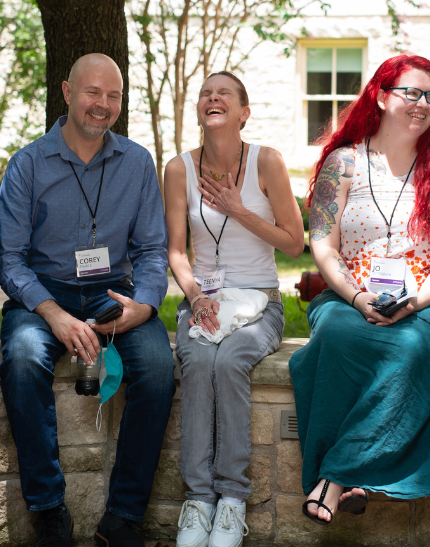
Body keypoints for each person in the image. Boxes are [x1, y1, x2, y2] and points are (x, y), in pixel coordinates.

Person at [290, 54, 430, 525]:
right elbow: (323, 244)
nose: (421, 104)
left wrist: (415, 300)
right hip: (349, 294)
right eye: (409, 93)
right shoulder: (343, 163)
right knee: (337, 336)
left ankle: (334, 476)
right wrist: (356, 298)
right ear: (379, 95)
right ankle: (360, 472)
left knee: (411, 344)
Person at [0, 53, 174, 547]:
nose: (103, 105)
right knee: (24, 358)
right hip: (43, 293)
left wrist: (147, 303)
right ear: (68, 93)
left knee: (159, 367)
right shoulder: (28, 164)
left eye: (113, 95)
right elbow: (9, 259)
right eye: (92, 92)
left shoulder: (136, 162)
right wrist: (51, 315)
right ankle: (50, 510)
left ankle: (122, 518)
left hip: (112, 292)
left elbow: (152, 249)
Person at [164, 71, 303, 547]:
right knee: (200, 359)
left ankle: (232, 501)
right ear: (199, 110)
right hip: (205, 301)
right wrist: (195, 296)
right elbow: (177, 252)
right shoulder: (179, 168)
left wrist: (237, 208)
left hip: (260, 302)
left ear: (243, 112)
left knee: (231, 359)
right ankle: (199, 501)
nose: (212, 97)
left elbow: (294, 242)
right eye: (205, 93)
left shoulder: (268, 162)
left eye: (224, 93)